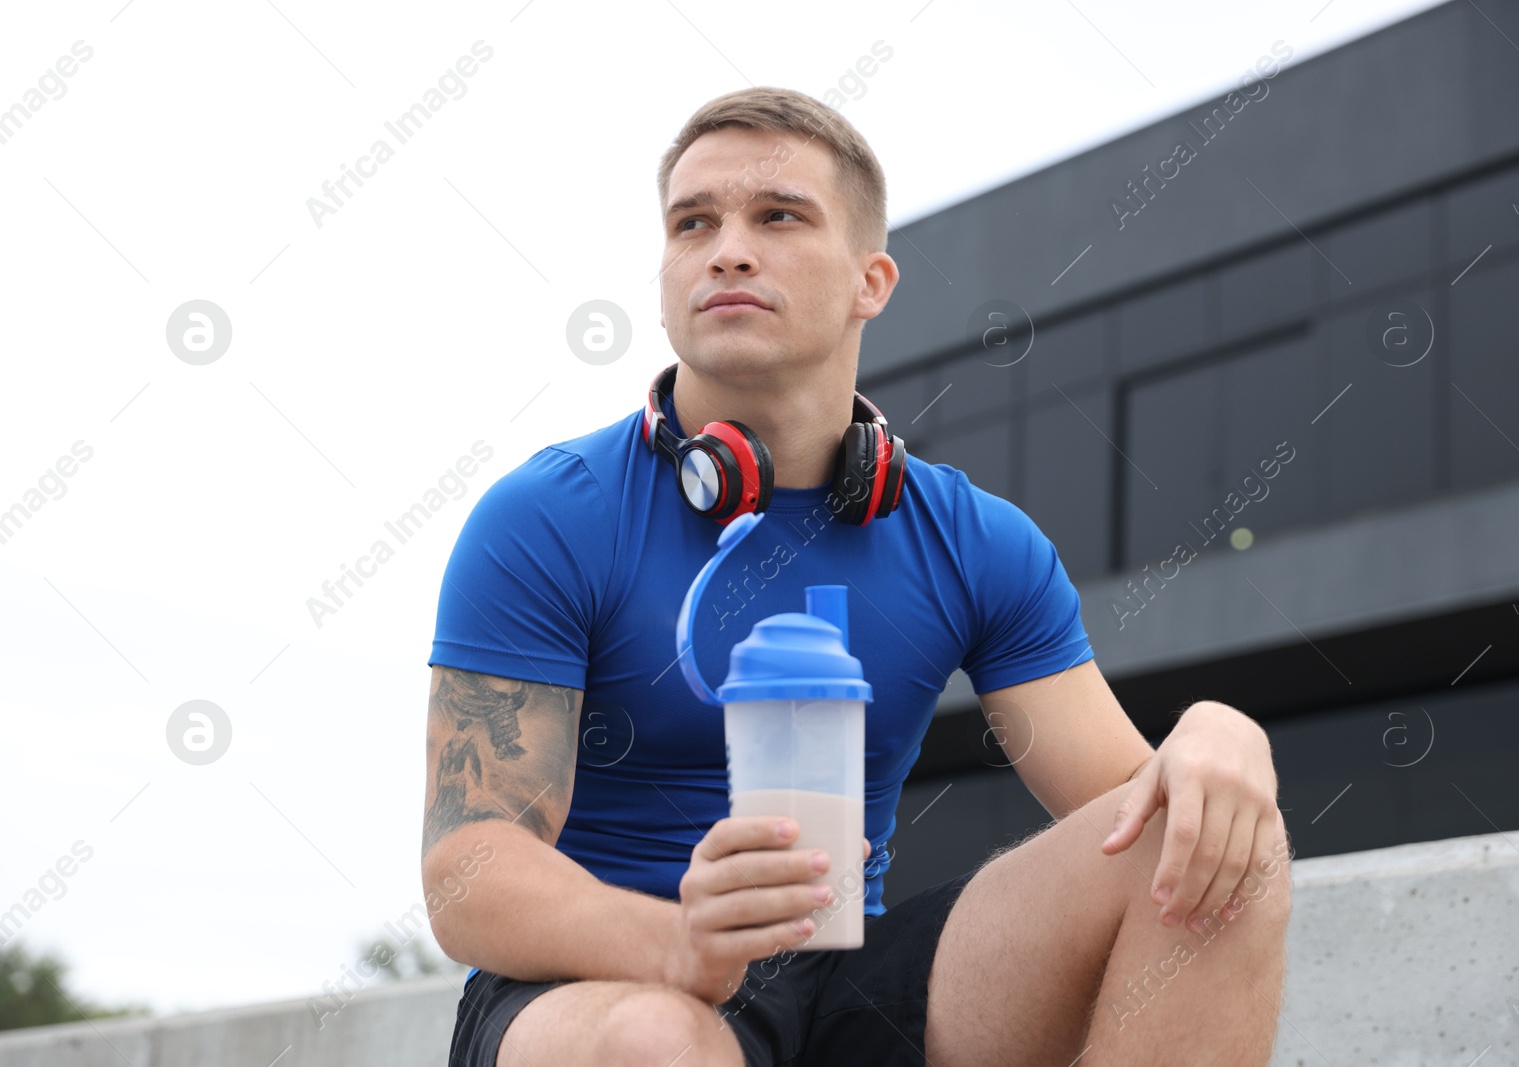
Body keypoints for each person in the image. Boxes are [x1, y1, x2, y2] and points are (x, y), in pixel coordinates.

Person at [422, 86, 1291, 1067]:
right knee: (658, 1038)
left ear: (870, 280)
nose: (728, 248)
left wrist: (1221, 732)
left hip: (843, 977)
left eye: (778, 215)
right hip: (594, 983)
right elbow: (469, 866)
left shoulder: (972, 540)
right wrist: (677, 944)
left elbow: (1137, 810)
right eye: (692, 222)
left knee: (1224, 847)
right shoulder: (548, 514)